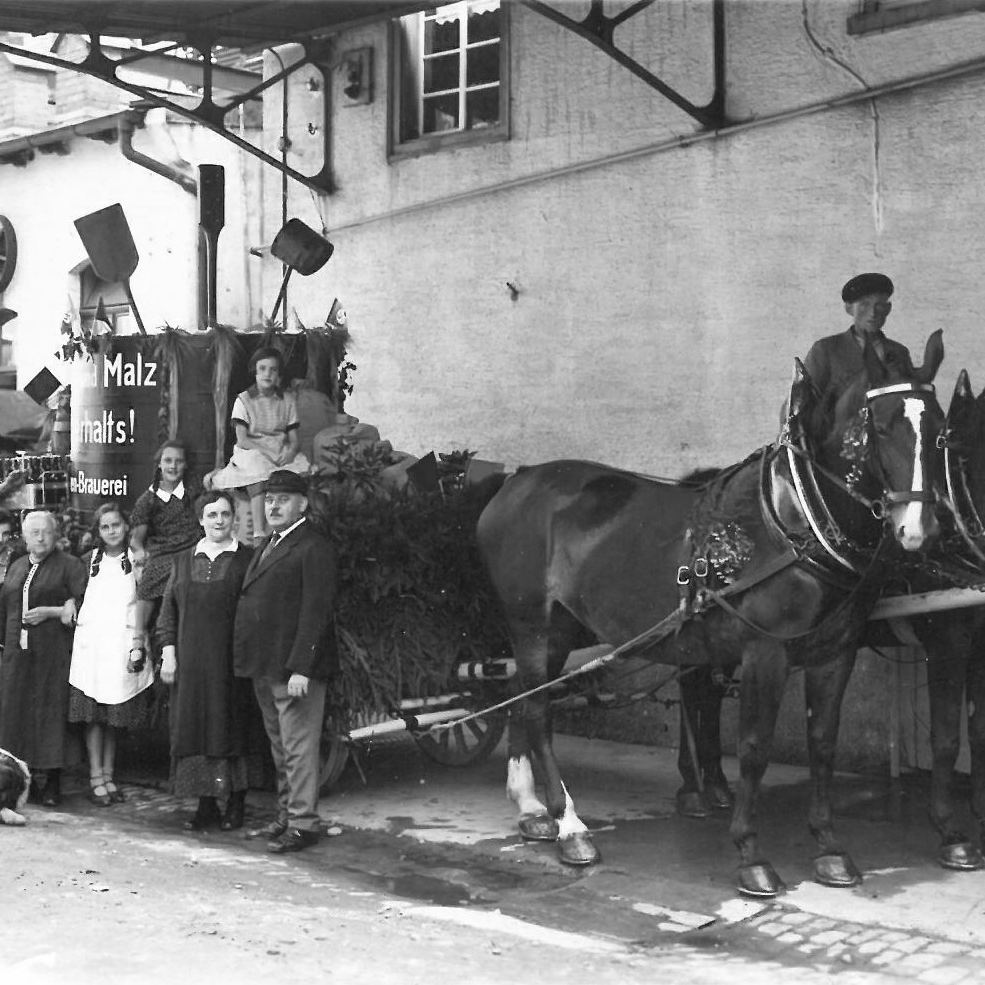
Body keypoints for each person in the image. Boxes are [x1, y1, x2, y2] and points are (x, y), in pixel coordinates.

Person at [233, 470, 338, 853]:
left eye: (283, 500)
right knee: (280, 748)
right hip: (266, 665)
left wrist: (302, 668)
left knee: (298, 749)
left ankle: (303, 823)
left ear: (303, 505)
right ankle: (286, 817)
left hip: (293, 671)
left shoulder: (313, 547)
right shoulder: (269, 543)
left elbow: (316, 613)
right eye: (270, 500)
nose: (274, 506)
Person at [157, 491, 261, 832]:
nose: (219, 520)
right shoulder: (183, 561)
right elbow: (166, 614)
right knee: (197, 730)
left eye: (225, 514)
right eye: (212, 514)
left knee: (231, 728)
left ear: (234, 519)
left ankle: (235, 803)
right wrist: (169, 653)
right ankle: (205, 805)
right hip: (191, 665)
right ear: (200, 520)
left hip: (232, 664)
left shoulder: (248, 560)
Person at [68, 503, 153, 806]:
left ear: (126, 526)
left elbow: (145, 600)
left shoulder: (138, 560)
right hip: (93, 649)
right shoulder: (88, 560)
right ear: (98, 532)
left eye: (116, 525)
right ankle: (95, 776)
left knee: (114, 716)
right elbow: (73, 595)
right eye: (105, 527)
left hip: (121, 644)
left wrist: (138, 644)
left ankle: (109, 774)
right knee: (94, 717)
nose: (112, 531)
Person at [0, 510, 86, 807]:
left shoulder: (70, 565)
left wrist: (49, 612)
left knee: (50, 714)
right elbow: (7, 605)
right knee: (18, 714)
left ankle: (52, 782)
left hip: (53, 653)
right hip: (16, 654)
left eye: (45, 531)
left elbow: (80, 608)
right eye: (33, 532)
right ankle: (24, 780)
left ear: (55, 533)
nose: (39, 537)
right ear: (24, 537)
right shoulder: (17, 565)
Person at [209, 347, 311, 545]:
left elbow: (294, 438)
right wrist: (267, 451)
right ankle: (258, 533)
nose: (267, 374)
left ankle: (289, 527)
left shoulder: (287, 400)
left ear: (279, 375)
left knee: (299, 471)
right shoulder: (244, 400)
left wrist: (289, 451)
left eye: (273, 370)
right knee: (257, 469)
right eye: (262, 369)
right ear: (255, 373)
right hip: (252, 448)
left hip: (279, 446)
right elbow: (242, 439)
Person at [128, 438, 202, 666]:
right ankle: (137, 642)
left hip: (192, 548)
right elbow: (136, 540)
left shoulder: (194, 492)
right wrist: (139, 551)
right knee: (151, 576)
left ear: (186, 465)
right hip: (163, 551)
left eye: (178, 461)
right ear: (159, 464)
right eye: (168, 461)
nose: (173, 466)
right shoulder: (148, 499)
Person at [803, 273, 913, 398]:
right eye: (864, 305)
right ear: (849, 309)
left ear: (888, 309)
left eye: (879, 305)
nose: (872, 313)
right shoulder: (826, 350)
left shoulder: (899, 353)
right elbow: (802, 403)